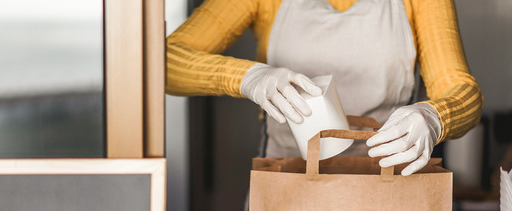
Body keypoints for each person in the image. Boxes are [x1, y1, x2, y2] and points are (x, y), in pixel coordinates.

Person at [166, 0, 483, 175]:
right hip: (286, 184)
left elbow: (461, 90)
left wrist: (433, 116)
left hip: (386, 183)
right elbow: (164, 63)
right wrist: (247, 76)